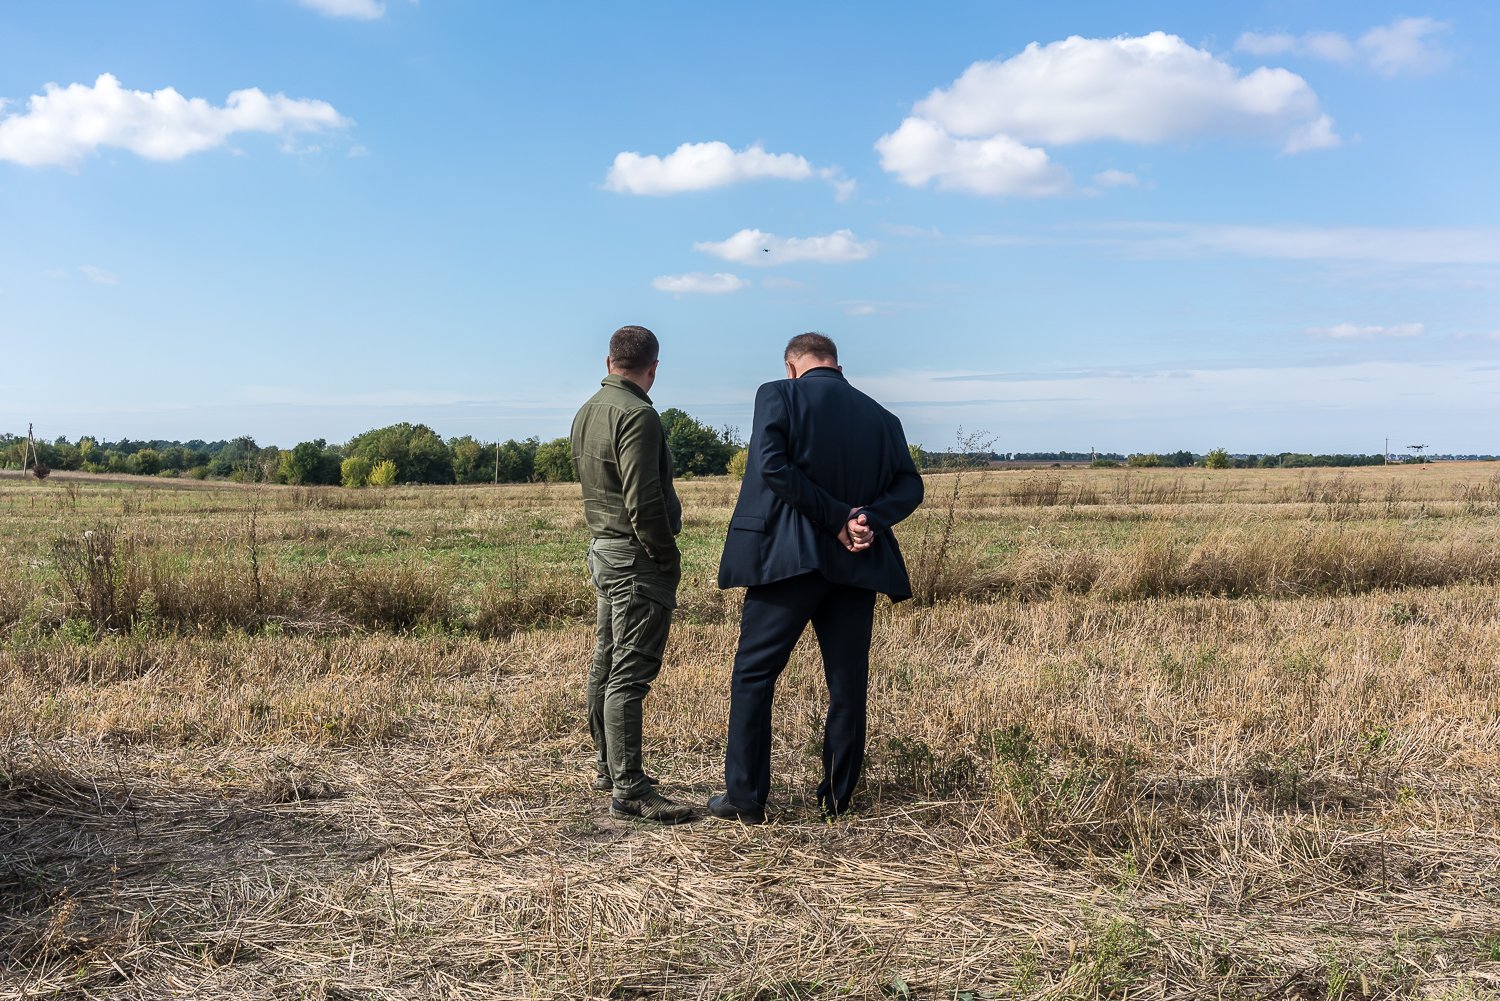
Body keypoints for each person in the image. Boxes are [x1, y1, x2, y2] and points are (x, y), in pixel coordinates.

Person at [708, 332, 924, 823]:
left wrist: (836, 518)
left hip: (788, 562)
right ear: (838, 365)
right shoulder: (881, 416)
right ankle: (837, 799)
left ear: (791, 366)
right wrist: (866, 518)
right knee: (847, 683)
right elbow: (910, 485)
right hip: (857, 566)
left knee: (754, 677)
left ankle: (745, 799)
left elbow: (772, 467)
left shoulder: (777, 394)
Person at [570, 325, 693, 824]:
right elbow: (644, 503)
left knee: (606, 660)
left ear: (608, 362)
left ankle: (608, 766)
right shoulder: (637, 415)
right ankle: (631, 788)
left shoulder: (588, 411)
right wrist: (667, 557)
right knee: (630, 671)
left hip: (603, 549)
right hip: (635, 557)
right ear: (654, 368)